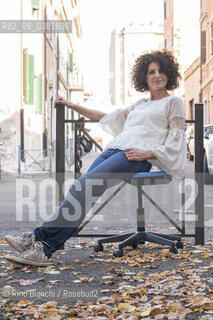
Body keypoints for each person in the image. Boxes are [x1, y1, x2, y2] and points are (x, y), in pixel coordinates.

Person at [5, 50, 186, 266]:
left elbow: (177, 139)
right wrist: (72, 106)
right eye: (151, 72)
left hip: (135, 156)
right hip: (113, 150)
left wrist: (147, 153)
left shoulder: (173, 102)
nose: (157, 75)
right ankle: (40, 243)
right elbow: (106, 117)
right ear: (144, 77)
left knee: (82, 188)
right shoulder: (140, 104)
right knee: (81, 192)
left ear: (169, 74)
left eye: (161, 71)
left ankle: (41, 244)